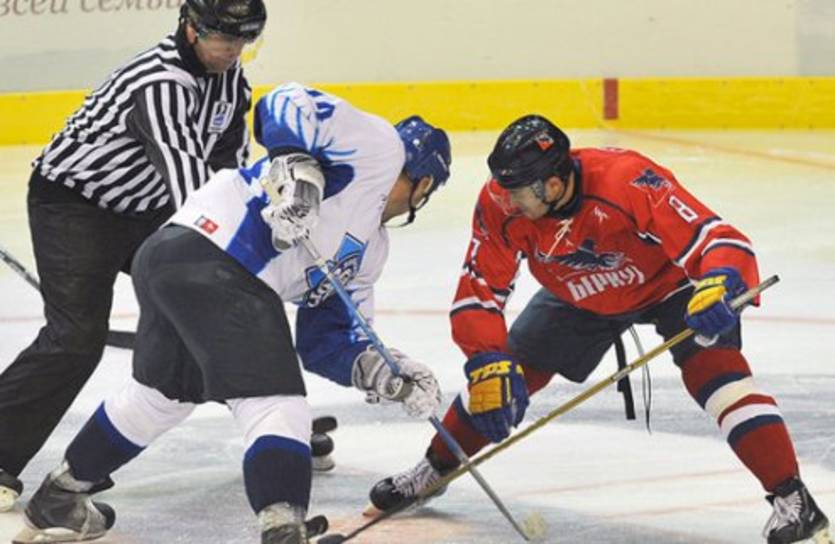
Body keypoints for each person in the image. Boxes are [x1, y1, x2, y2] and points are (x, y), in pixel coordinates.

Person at [14, 82, 452, 544]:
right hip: (214, 255)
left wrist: (384, 370)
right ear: (424, 185)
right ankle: (283, 531)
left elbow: (326, 341)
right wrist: (298, 169)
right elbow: (287, 101)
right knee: (276, 403)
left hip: (169, 261)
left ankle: (60, 496)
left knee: (162, 396)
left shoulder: (370, 253)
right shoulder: (378, 149)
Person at [367, 114, 832, 544]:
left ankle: (792, 497)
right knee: (497, 379)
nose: (506, 200)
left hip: (669, 286)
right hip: (576, 293)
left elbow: (716, 237)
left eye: (518, 192)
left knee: (720, 380)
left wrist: (722, 282)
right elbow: (479, 290)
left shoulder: (627, 179)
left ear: (553, 184)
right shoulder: (500, 201)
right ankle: (435, 468)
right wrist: (486, 358)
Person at [0, 0, 267, 512]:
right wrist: (235, 250)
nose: (233, 50)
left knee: (218, 305)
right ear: (191, 28)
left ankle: (272, 425)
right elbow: (192, 186)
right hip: (76, 205)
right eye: (222, 38)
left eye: (243, 40)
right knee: (75, 339)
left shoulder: (231, 81)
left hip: (146, 205)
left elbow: (228, 169)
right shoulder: (159, 82)